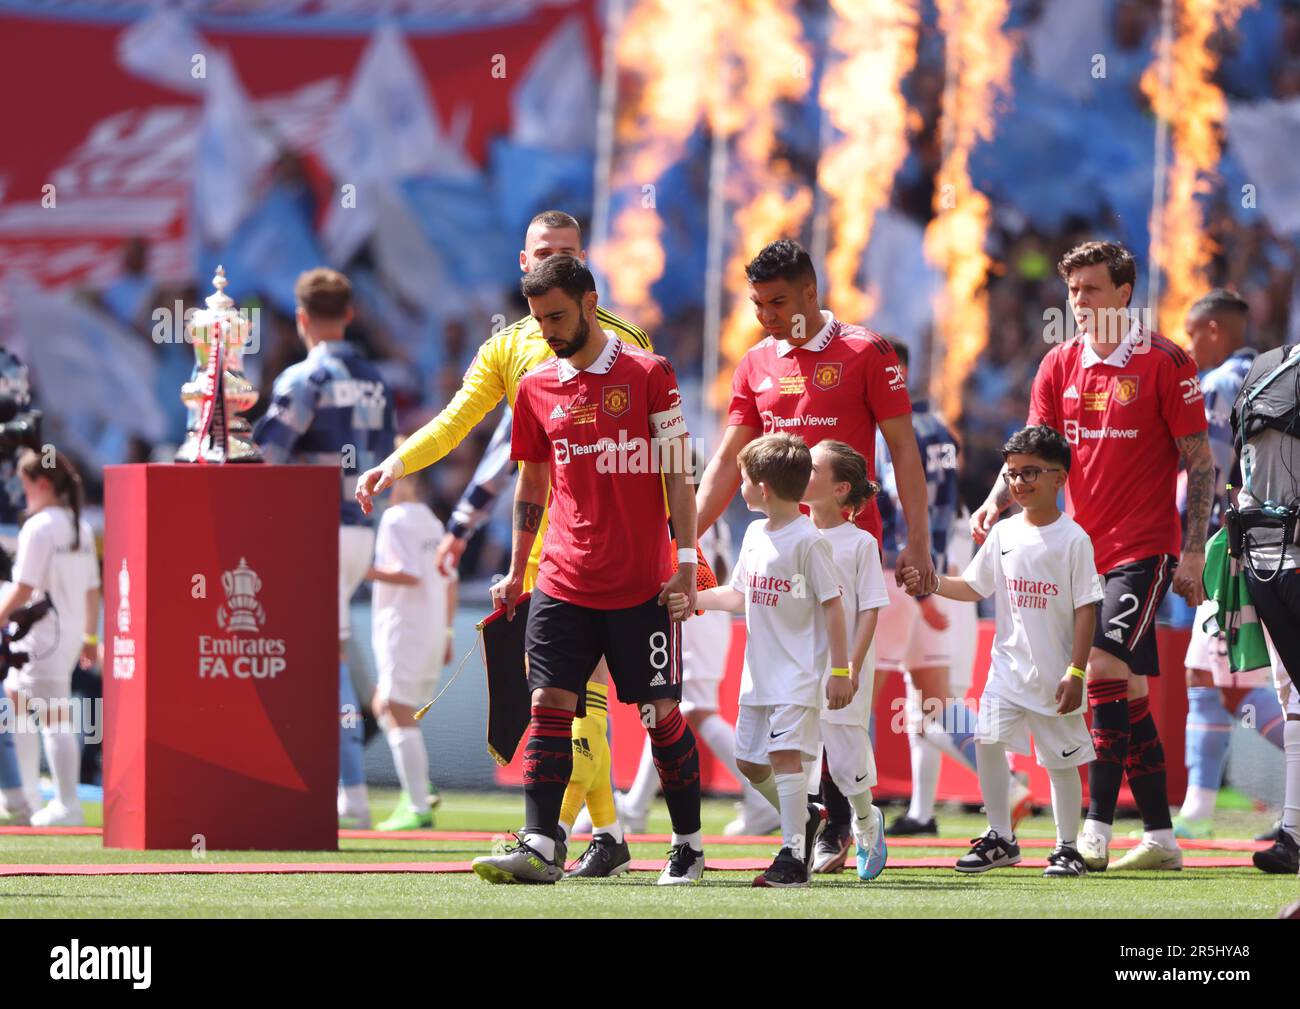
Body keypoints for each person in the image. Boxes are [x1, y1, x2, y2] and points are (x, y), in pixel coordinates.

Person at [357, 211, 650, 869]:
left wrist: (674, 547)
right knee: (561, 696)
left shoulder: (628, 340)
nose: (554, 261)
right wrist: (397, 463)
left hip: (613, 542)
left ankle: (577, 837)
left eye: (567, 253)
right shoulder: (508, 348)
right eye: (544, 252)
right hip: (542, 541)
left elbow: (658, 449)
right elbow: (458, 423)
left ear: (586, 270)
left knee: (579, 697)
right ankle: (605, 837)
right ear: (524, 265)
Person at [971, 241, 1213, 871]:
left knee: (1100, 667)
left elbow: (1200, 463)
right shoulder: (1058, 364)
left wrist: (1191, 554)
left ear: (1124, 293)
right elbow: (1032, 452)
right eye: (1073, 291)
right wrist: (996, 498)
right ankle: (1160, 837)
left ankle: (1094, 832)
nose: (1078, 302)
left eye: (1092, 290)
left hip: (1143, 549)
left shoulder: (1166, 361)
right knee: (1125, 687)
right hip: (1077, 553)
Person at [468, 256, 702, 885]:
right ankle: (544, 844)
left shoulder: (651, 374)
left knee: (659, 714)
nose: (547, 329)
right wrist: (518, 570)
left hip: (642, 584)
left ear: (591, 302)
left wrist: (685, 562)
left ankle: (687, 844)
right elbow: (533, 483)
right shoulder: (536, 386)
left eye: (558, 316)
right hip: (563, 580)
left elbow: (681, 470)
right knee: (549, 703)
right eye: (539, 319)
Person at [695, 238, 936, 835]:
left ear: (812, 291)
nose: (767, 317)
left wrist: (919, 541)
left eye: (777, 303)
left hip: (846, 545)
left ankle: (843, 823)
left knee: (839, 703)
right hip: (778, 552)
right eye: (757, 305)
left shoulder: (867, 351)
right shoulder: (754, 363)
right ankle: (818, 820)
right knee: (787, 699)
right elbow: (728, 460)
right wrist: (679, 540)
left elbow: (904, 450)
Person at [905, 426, 1102, 876]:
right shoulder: (1005, 532)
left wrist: (1076, 672)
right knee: (987, 742)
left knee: (1060, 761)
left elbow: (1086, 609)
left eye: (1031, 471)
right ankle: (1001, 838)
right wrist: (932, 582)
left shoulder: (1074, 540)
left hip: (1055, 677)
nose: (1019, 482)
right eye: (1012, 473)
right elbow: (975, 586)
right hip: (1006, 673)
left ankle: (1067, 847)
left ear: (1060, 477)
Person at [254, 268, 396, 829]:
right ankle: (342, 787)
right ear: (351, 313)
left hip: (315, 531)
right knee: (329, 654)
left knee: (322, 661)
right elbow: (387, 454)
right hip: (361, 529)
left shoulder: (304, 376)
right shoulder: (377, 379)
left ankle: (348, 792)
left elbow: (267, 453)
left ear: (302, 319)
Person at [873, 337, 1032, 837]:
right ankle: (941, 803)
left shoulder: (889, 432)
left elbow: (911, 507)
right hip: (937, 570)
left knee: (860, 703)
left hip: (900, 575)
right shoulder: (936, 426)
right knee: (931, 704)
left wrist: (922, 589)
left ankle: (835, 817)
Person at [683, 433, 850, 888]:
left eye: (743, 480)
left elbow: (833, 605)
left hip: (798, 675)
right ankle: (807, 816)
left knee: (782, 756)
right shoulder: (755, 534)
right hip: (757, 675)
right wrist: (694, 599)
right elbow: (738, 594)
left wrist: (839, 670)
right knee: (750, 763)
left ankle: (792, 857)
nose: (738, 488)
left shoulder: (809, 542)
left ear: (764, 488)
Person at [1175, 290, 1287, 840]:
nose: (1188, 346)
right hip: (1273, 545)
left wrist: (1191, 542)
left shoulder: (1216, 387)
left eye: (1193, 334)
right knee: (1234, 675)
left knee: (1220, 674)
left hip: (1227, 548)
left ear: (1214, 330)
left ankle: (1202, 807)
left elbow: (1204, 472)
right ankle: (1208, 806)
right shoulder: (1276, 378)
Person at [617, 517, 764, 838]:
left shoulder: (684, 508)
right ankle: (636, 805)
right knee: (669, 709)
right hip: (702, 616)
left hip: (693, 616)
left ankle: (760, 794)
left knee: (689, 710)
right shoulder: (702, 510)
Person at [801, 440, 890, 879]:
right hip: (798, 665)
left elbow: (870, 607)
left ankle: (866, 821)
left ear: (840, 489)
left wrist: (851, 666)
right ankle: (797, 842)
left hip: (844, 667)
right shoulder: (791, 533)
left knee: (846, 758)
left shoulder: (861, 544)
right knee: (795, 754)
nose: (802, 471)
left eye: (813, 468)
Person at [1228, 339, 1300, 874]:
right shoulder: (1267, 365)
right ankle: (1293, 834)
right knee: (1292, 697)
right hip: (1267, 554)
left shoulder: (1267, 367)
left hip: (1271, 554)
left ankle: (1293, 833)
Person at [0, 449, 100, 827]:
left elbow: (23, 587)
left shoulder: (39, 527)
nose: (24, 495)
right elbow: (94, 589)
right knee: (24, 707)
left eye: (26, 487)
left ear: (41, 484)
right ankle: (27, 797)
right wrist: (89, 635)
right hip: (65, 636)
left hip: (41, 638)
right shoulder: (80, 526)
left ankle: (62, 802)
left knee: (49, 715)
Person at [365, 435, 458, 831]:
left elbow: (408, 572)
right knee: (383, 704)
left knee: (396, 708)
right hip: (431, 627)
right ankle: (417, 786)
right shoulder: (434, 521)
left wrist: (353, 568)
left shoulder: (395, 518)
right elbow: (448, 579)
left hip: (404, 628)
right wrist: (449, 632)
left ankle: (417, 802)